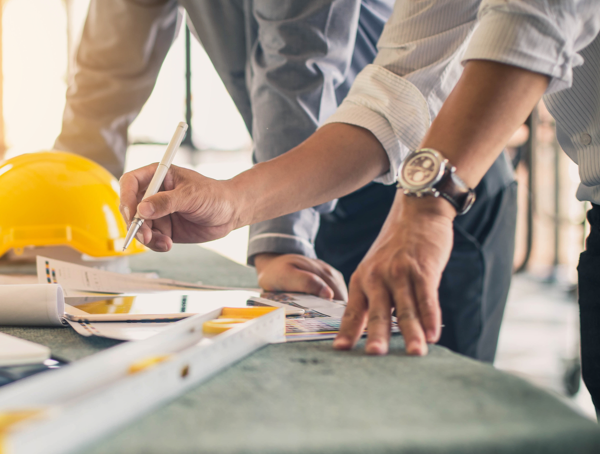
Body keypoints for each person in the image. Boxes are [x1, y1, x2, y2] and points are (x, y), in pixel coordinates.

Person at [118, 0, 600, 414]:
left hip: (447, 191)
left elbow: (534, 20)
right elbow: (397, 92)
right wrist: (234, 201)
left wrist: (426, 205)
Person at [55, 0, 518, 362]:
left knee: (434, 404)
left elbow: (298, 67)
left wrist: (281, 241)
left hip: (438, 185)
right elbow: (105, 74)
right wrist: (56, 208)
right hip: (303, 187)